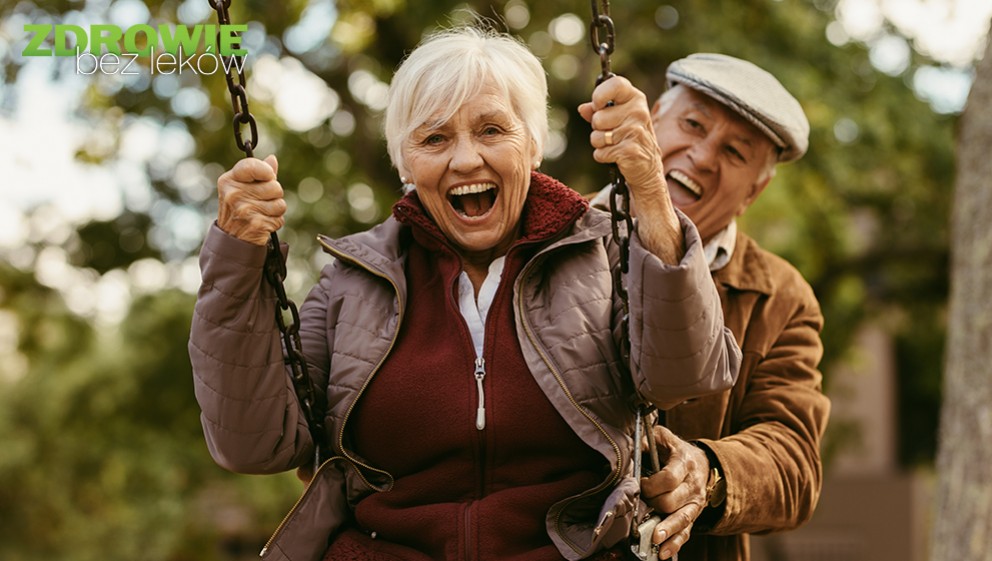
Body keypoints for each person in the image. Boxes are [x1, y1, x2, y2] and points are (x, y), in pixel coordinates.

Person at [189, 27, 740, 561]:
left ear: (533, 145)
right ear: (405, 162)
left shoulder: (601, 255)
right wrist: (236, 257)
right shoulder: (351, 282)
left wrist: (649, 190)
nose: (466, 159)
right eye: (434, 139)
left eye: (492, 130)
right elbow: (254, 445)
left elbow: (686, 377)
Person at [593, 54, 830, 560]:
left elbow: (794, 463)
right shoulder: (550, 235)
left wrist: (708, 470)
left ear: (755, 191)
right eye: (693, 125)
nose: (702, 156)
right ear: (653, 118)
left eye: (735, 152)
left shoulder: (781, 298)